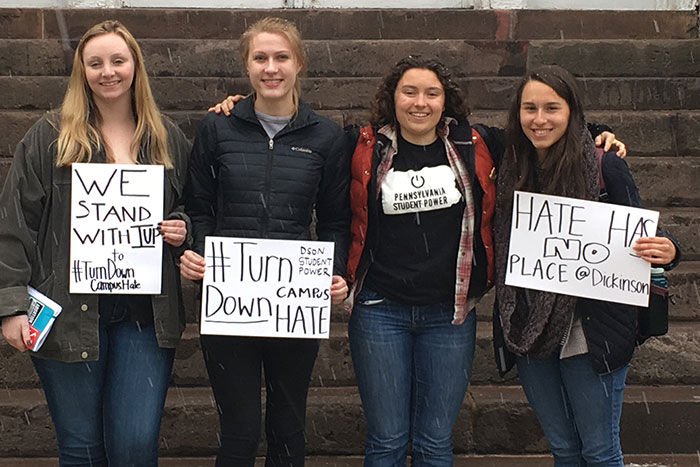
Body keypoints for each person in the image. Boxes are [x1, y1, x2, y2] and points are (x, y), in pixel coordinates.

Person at [344, 56, 625, 467]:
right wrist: (238, 106)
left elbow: (541, 130)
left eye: (432, 93)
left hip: (451, 314)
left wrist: (599, 134)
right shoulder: (362, 144)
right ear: (392, 97)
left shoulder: (474, 142)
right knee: (386, 440)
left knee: (435, 442)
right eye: (409, 91)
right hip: (379, 310)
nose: (420, 102)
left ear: (446, 101)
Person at [0, 20, 191, 466]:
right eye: (95, 63)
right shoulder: (49, 137)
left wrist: (182, 226)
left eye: (118, 61)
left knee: (134, 445)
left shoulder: (167, 138)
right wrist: (10, 307)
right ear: (81, 70)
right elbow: (14, 223)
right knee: (82, 449)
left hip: (145, 316)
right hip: (67, 313)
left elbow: (195, 208)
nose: (108, 72)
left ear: (135, 67)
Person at [179, 17, 350, 467]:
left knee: (288, 430)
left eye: (281, 57)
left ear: (299, 64)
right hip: (228, 299)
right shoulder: (217, 129)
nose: (270, 67)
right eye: (260, 58)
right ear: (246, 66)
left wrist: (337, 273)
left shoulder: (328, 137)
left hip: (293, 301)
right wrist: (194, 250)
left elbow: (335, 220)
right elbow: (197, 206)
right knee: (239, 432)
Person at [493, 64, 680, 467]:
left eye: (552, 108)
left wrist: (669, 250)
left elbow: (643, 230)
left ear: (570, 111)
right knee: (563, 449)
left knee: (599, 452)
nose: (539, 119)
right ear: (517, 113)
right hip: (527, 326)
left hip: (591, 329)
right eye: (529, 108)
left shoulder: (604, 165)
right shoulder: (506, 160)